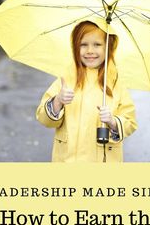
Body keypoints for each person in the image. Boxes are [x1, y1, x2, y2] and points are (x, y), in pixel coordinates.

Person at [36, 20, 137, 162]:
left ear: (108, 47)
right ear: (76, 48)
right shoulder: (66, 80)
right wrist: (58, 101)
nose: (90, 51)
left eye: (97, 45)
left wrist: (113, 122)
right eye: (83, 45)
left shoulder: (116, 84)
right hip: (67, 161)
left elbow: (130, 122)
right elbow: (43, 118)